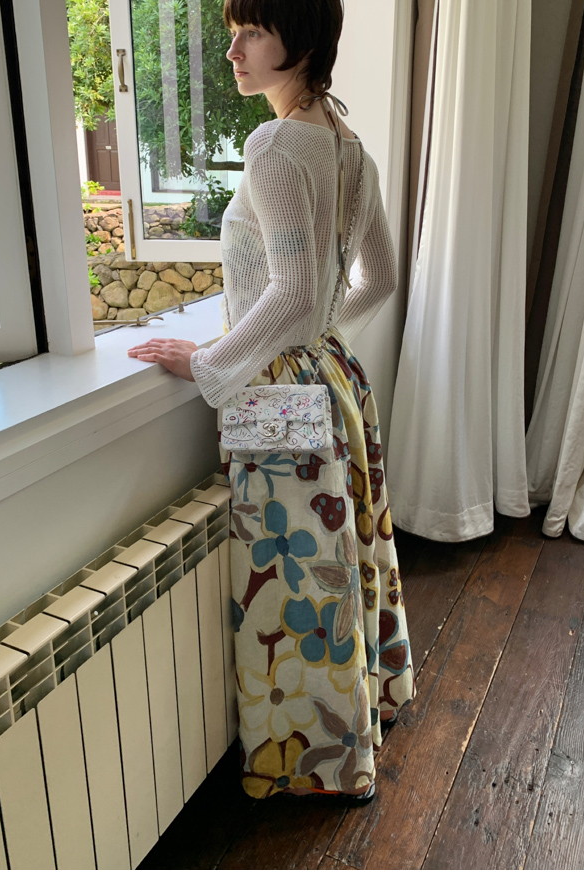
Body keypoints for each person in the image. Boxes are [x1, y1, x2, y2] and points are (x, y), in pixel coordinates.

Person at [128, 0, 413, 801]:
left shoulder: (277, 145)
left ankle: (317, 766)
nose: (233, 53)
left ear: (302, 37)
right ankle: (364, 712)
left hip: (282, 390)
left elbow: (287, 291)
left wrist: (210, 361)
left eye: (250, 31)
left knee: (292, 584)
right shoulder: (349, 148)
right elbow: (377, 280)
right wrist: (321, 335)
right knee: (336, 561)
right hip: (332, 377)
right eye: (232, 34)